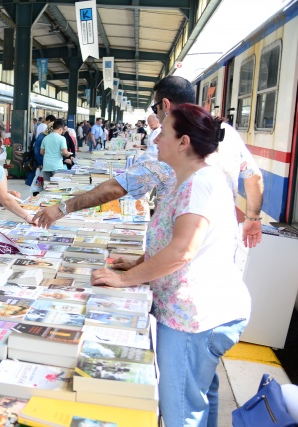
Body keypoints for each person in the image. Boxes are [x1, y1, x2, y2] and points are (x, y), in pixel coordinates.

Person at [90, 104, 251, 427]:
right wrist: (139, 261)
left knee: (180, 410)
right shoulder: (191, 178)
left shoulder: (199, 184)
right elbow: (181, 239)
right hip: (202, 309)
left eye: (163, 133)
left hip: (193, 317)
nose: (156, 140)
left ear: (184, 142)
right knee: (199, 393)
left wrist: (126, 279)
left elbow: (183, 250)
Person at [33, 75, 264, 249]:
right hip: (222, 245)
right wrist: (253, 217)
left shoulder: (172, 144)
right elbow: (254, 178)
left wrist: (63, 208)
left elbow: (117, 187)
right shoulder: (226, 132)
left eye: (155, 108)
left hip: (182, 259)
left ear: (165, 104)